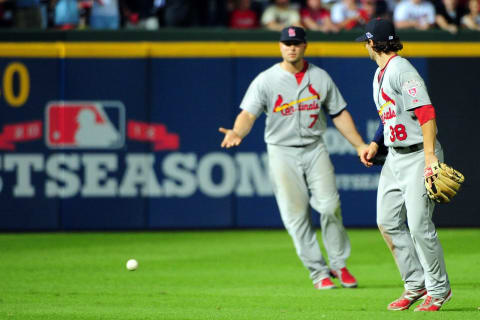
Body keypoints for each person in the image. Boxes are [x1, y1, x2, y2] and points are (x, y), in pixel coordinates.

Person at [219, 26, 370, 290]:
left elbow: (339, 113)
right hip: (281, 151)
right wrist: (237, 132)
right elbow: (248, 114)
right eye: (287, 43)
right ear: (280, 46)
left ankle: (338, 263)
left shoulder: (320, 77)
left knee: (330, 205)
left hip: (314, 146)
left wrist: (359, 145)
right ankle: (318, 272)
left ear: (305, 46)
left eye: (296, 43)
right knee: (296, 214)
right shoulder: (266, 80)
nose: (291, 47)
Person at [356, 18, 452, 311]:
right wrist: (375, 143)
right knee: (386, 221)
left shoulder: (401, 69)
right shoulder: (379, 74)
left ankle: (438, 289)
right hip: (395, 156)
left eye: (367, 42)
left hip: (417, 156)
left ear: (373, 43)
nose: (366, 46)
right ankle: (415, 283)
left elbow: (426, 113)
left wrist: (430, 157)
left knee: (419, 225)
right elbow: (390, 116)